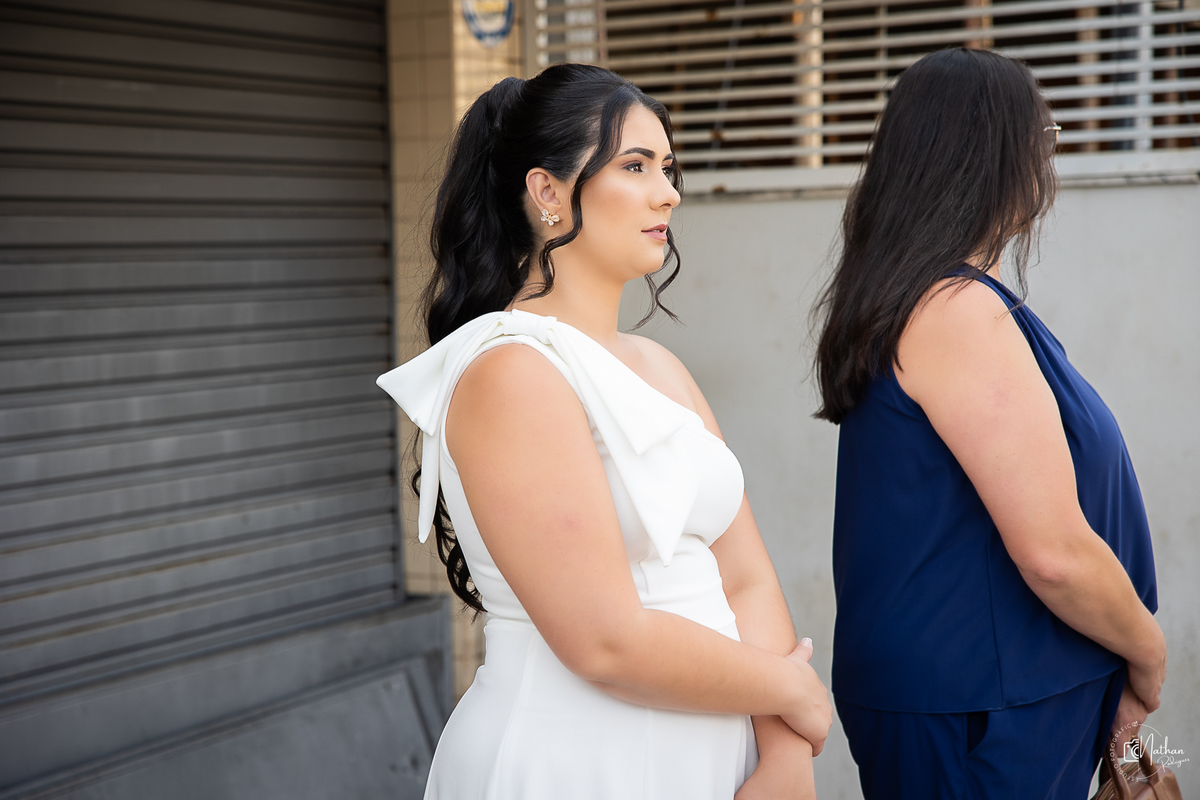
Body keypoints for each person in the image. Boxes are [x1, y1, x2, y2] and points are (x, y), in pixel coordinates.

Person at [377, 63, 831, 800]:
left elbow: (745, 578)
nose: (669, 191)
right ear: (548, 191)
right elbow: (604, 639)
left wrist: (785, 756)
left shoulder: (659, 364)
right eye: (636, 165)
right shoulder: (509, 368)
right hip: (580, 761)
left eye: (668, 168)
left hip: (719, 759)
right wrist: (791, 688)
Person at [812, 48, 1164, 799]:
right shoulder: (954, 310)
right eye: (1044, 135)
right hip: (982, 708)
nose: (1048, 157)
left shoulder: (954, 298)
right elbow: (1053, 552)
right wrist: (1148, 651)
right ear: (996, 153)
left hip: (1003, 693)